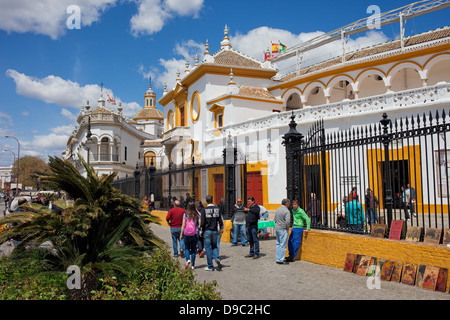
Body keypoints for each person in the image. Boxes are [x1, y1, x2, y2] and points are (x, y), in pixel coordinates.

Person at [200, 194, 223, 271]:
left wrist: (201, 230)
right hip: (215, 230)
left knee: (208, 248)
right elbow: (220, 221)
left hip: (207, 231)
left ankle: (210, 266)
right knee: (215, 246)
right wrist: (221, 230)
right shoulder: (217, 209)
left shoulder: (204, 210)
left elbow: (202, 222)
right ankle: (217, 258)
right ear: (212, 200)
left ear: (206, 201)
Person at [180, 202, 199, 269]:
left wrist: (181, 234)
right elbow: (199, 225)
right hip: (195, 233)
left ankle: (188, 260)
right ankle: (192, 265)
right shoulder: (197, 214)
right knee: (193, 249)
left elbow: (183, 225)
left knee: (187, 248)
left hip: (187, 233)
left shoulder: (185, 214)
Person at [274, 199, 291, 265]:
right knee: (283, 245)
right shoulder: (286, 211)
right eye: (289, 203)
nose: (289, 205)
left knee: (278, 244)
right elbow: (287, 221)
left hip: (278, 228)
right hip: (283, 229)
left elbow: (275, 219)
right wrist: (287, 228)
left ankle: (278, 258)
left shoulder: (278, 209)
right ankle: (281, 259)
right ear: (287, 204)